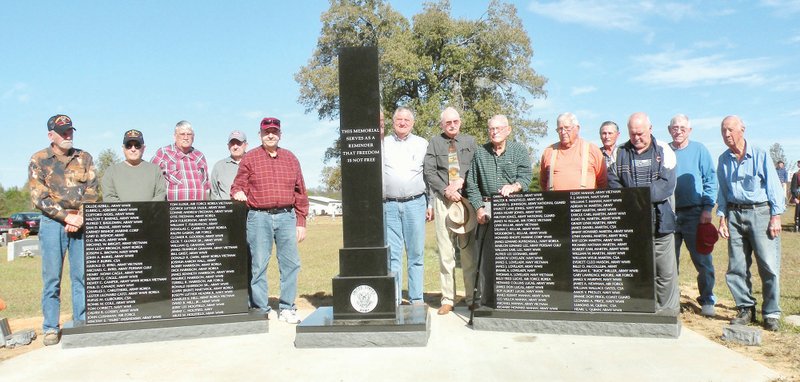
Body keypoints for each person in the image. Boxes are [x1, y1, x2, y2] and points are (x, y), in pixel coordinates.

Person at [28, 114, 99, 345]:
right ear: (51, 135)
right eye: (63, 132)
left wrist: (78, 216)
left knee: (81, 276)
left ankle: (83, 321)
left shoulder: (84, 157)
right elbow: (39, 197)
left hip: (80, 222)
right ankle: (50, 327)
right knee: (52, 278)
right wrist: (65, 216)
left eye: (70, 131)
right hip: (52, 224)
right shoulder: (39, 159)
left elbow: (92, 190)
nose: (68, 135)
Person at [231, 117, 309, 324]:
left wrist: (301, 221)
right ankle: (260, 308)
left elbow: (300, 192)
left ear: (280, 134)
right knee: (258, 264)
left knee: (291, 264)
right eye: (267, 132)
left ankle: (287, 307)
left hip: (286, 216)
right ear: (260, 135)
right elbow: (237, 186)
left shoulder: (290, 158)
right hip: (259, 217)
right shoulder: (250, 158)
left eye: (274, 131)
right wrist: (238, 193)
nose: (271, 135)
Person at [716, 115, 785, 331]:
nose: (727, 135)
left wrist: (776, 216)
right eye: (723, 131)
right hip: (734, 215)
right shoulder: (723, 159)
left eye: (730, 130)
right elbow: (723, 191)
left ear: (742, 129)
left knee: (768, 265)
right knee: (736, 266)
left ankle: (771, 313)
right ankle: (745, 308)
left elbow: (774, 187)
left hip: (761, 213)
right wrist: (722, 219)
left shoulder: (760, 154)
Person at [608, 112, 679, 314]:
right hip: (630, 224)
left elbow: (666, 186)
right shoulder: (619, 152)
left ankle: (667, 312)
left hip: (660, 222)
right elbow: (613, 183)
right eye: (633, 134)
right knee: (634, 270)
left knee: (664, 272)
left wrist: (636, 196)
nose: (637, 138)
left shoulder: (665, 150)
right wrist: (633, 198)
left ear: (650, 129)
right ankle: (637, 309)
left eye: (641, 133)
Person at [465, 114, 532, 308]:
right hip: (486, 206)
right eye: (491, 129)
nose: (494, 132)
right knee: (487, 258)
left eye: (498, 128)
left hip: (511, 208)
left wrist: (515, 186)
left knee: (512, 255)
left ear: (508, 130)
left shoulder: (519, 150)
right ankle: (487, 300)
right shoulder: (480, 152)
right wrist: (478, 207)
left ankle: (514, 299)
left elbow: (526, 177)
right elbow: (471, 184)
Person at [423, 107, 478, 314]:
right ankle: (448, 298)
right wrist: (446, 191)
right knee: (445, 252)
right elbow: (429, 171)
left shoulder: (470, 142)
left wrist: (462, 183)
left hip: (465, 201)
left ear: (460, 122)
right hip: (443, 200)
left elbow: (476, 167)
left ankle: (472, 297)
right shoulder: (434, 143)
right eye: (448, 123)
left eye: (455, 121)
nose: (452, 125)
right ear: (442, 125)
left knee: (468, 252)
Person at [667, 114, 718, 317]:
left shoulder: (700, 150)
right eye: (674, 127)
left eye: (682, 128)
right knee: (669, 261)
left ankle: (707, 299)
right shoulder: (664, 150)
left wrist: (707, 208)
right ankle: (671, 300)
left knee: (703, 260)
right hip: (668, 214)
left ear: (689, 130)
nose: (678, 131)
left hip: (695, 213)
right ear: (669, 129)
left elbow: (710, 180)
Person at [383, 107, 428, 305]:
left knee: (416, 253)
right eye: (399, 119)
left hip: (416, 203)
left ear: (413, 123)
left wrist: (431, 203)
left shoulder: (422, 144)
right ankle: (394, 298)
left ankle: (416, 298)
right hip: (389, 205)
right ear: (393, 122)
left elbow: (430, 174)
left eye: (406, 120)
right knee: (393, 254)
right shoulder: (382, 143)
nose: (402, 123)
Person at [539, 112, 607, 191]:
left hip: (584, 202)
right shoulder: (549, 151)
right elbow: (543, 182)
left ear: (577, 128)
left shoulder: (592, 150)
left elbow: (603, 183)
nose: (563, 132)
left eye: (567, 128)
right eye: (560, 129)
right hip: (556, 201)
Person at [151, 120, 210, 201]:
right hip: (172, 211)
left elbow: (206, 186)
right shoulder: (163, 153)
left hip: (198, 211)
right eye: (182, 134)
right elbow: (150, 182)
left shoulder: (200, 156)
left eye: (189, 134)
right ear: (175, 136)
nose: (186, 137)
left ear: (193, 136)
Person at [101, 129, 167, 202]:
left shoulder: (155, 170)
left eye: (137, 146)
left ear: (143, 148)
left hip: (150, 213)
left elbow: (161, 194)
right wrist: (130, 211)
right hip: (122, 213)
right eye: (128, 146)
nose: (133, 149)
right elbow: (109, 197)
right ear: (123, 148)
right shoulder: (111, 171)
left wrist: (146, 210)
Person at [210, 130, 248, 200]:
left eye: (239, 143)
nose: (235, 147)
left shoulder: (253, 163)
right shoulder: (219, 166)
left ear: (246, 145)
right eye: (232, 143)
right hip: (225, 210)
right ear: (228, 146)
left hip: (250, 210)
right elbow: (213, 193)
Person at [791, 161, 800, 231]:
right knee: (798, 211)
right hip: (799, 196)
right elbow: (793, 187)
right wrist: (795, 197)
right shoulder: (796, 175)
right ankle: (797, 225)